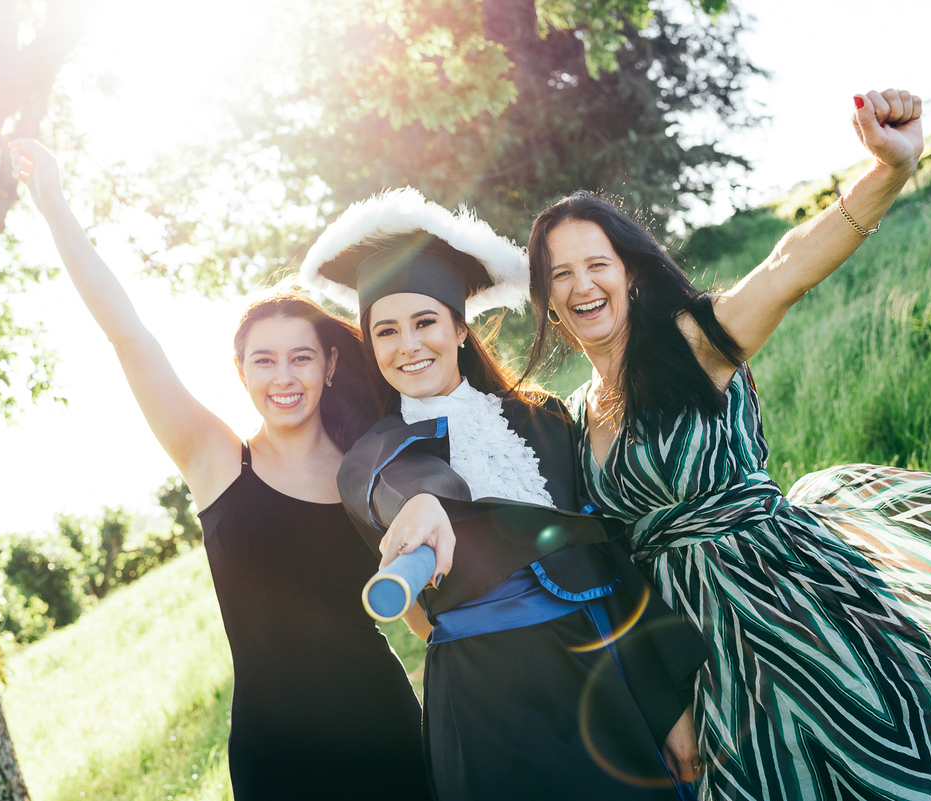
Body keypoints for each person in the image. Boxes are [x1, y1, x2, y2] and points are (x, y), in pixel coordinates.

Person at [523, 88, 931, 801]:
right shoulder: (571, 415)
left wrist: (889, 172)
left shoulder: (694, 344)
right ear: (547, 297)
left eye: (594, 263)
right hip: (701, 648)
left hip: (793, 599)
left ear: (628, 270)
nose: (581, 285)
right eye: (560, 273)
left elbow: (788, 265)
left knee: (884, 769)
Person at [7, 140, 431, 800]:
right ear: (240, 371)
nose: (283, 377)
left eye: (300, 358)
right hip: (274, 752)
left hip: (385, 733)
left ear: (329, 365)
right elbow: (129, 334)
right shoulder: (213, 459)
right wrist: (54, 204)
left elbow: (421, 615)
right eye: (264, 360)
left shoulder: (370, 470)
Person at [298, 188, 706, 800]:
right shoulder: (373, 459)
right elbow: (410, 492)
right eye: (386, 332)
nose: (408, 345)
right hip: (488, 705)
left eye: (425, 322)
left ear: (460, 328)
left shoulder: (545, 420)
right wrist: (426, 508)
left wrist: (666, 707)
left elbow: (610, 564)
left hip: (605, 677)